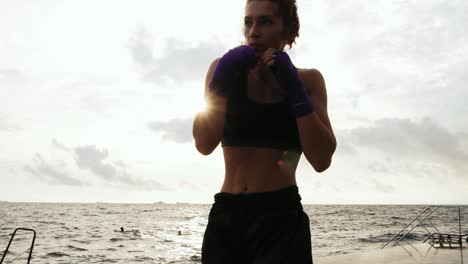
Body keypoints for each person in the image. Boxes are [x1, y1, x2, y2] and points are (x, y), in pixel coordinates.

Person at [192, 0, 336, 263]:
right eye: (249, 22)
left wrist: (295, 91)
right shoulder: (221, 69)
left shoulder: (308, 80)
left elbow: (321, 159)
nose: (253, 31)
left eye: (266, 21)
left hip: (280, 218)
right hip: (227, 216)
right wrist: (221, 81)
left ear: (289, 30)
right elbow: (203, 143)